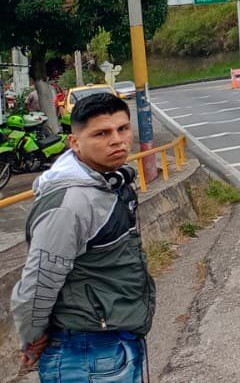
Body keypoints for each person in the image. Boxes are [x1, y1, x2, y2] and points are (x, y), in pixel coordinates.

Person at [11, 92, 154, 382]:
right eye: (102, 133)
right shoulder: (71, 203)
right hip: (86, 354)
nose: (117, 140)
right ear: (74, 142)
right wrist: (32, 338)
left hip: (115, 343)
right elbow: (38, 284)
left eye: (122, 129)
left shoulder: (108, 182)